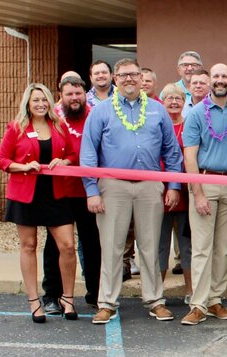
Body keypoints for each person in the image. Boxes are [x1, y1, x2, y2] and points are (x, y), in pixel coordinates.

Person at [81, 58, 183, 324]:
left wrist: (173, 185)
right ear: (115, 79)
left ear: (142, 78)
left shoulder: (157, 110)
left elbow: (172, 151)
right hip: (112, 186)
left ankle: (155, 301)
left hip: (150, 186)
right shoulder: (101, 111)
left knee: (150, 246)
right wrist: (92, 190)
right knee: (112, 247)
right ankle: (107, 303)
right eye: (123, 75)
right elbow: (89, 151)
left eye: (134, 75)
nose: (129, 79)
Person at [0, 83, 78, 323]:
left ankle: (68, 298)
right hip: (26, 194)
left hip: (56, 194)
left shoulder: (59, 126)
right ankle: (34, 301)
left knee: (67, 246)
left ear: (51, 102)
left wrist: (63, 162)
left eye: (44, 99)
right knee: (29, 246)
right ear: (28, 104)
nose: (41, 104)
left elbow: (72, 155)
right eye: (36, 100)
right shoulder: (16, 128)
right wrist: (23, 166)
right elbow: (1, 159)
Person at [179, 64, 227, 325]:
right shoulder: (196, 114)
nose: (220, 81)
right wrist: (197, 193)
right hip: (204, 182)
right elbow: (190, 156)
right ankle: (198, 304)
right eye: (216, 76)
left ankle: (216, 300)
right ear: (210, 81)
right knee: (202, 248)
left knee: (222, 248)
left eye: (224, 76)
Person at [40, 77, 101, 313]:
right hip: (60, 191)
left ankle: (96, 294)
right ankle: (52, 295)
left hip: (90, 191)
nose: (74, 98)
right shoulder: (52, 117)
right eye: (69, 94)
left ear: (85, 93)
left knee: (92, 243)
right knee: (55, 245)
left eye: (78, 93)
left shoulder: (95, 115)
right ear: (61, 95)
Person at [156, 84, 193, 303]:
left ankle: (190, 291)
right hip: (159, 192)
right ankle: (157, 292)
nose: (173, 102)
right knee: (160, 244)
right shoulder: (157, 125)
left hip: (185, 194)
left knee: (186, 245)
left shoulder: (189, 126)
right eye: (169, 98)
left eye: (178, 98)